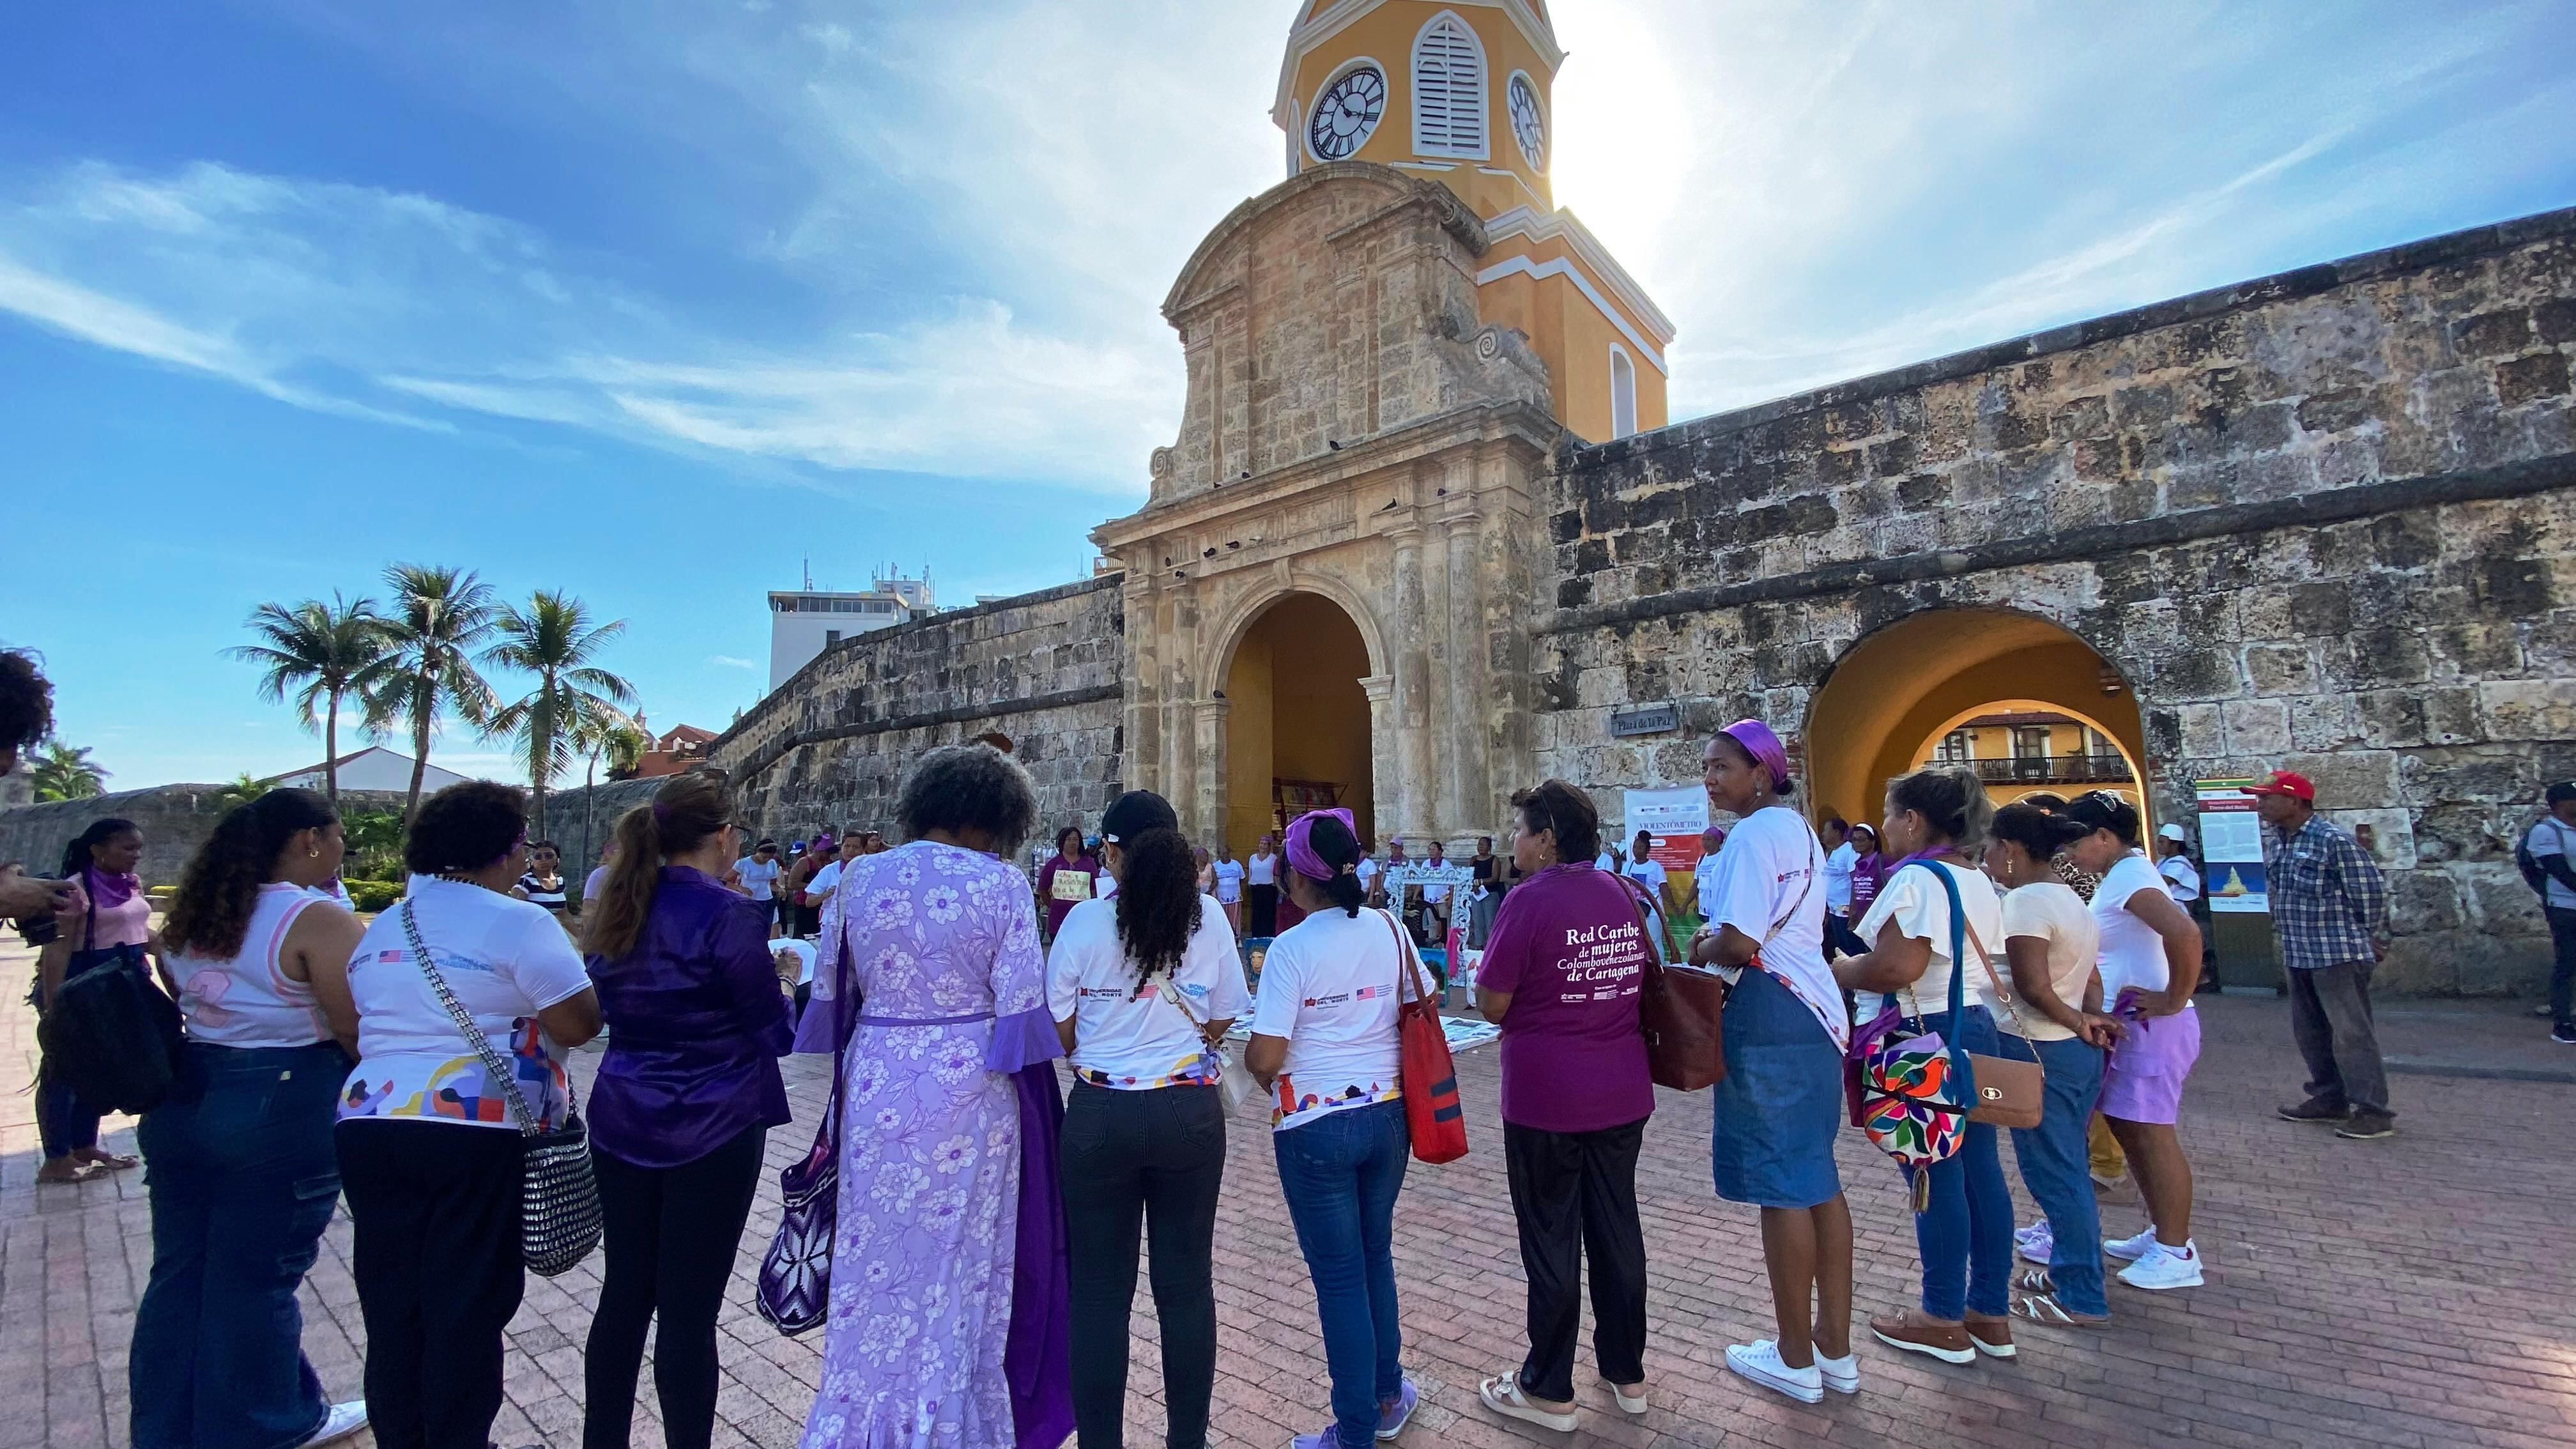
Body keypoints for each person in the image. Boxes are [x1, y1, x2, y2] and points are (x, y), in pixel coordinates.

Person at [794, 744, 1070, 1449]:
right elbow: (1022, 1014)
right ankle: (948, 1423)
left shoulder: (859, 877)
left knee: (872, 1251)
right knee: (962, 1261)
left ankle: (858, 1417)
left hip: (879, 1072)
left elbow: (828, 991)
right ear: (993, 817)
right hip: (970, 1087)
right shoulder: (1002, 883)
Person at [336, 781, 604, 1449]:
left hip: (369, 1123)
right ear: (509, 850)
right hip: (472, 1129)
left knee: (394, 1303)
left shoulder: (391, 921)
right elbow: (579, 1020)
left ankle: (403, 1436)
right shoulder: (517, 919)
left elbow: (353, 1022)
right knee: (465, 1306)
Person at [135, 790, 370, 1449]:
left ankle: (169, 1426)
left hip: (187, 1093)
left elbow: (186, 995)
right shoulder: (317, 919)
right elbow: (355, 1027)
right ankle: (269, 1422)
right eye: (338, 835)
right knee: (258, 1276)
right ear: (309, 840)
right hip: (282, 1099)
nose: (342, 847)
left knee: (182, 1271)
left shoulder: (197, 914)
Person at [579, 772, 793, 1449]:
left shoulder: (621, 905)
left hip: (622, 1114)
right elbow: (775, 1031)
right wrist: (787, 979)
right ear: (725, 839)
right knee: (688, 1313)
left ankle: (603, 1438)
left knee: (624, 1295)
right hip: (715, 1121)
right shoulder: (729, 915)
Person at [1046, 791, 1245, 1449]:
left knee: (1100, 1294)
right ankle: (1188, 1440)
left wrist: (1100, 1051)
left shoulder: (1081, 924)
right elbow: (1223, 1016)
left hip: (1101, 1113)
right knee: (1186, 1286)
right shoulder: (1210, 917)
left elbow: (1061, 1027)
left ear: (1113, 852)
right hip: (1187, 1110)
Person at [1472, 781, 1652, 1432]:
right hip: (1621, 1087)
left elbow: (1491, 1001)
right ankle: (1625, 1370)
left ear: (1547, 838)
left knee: (1551, 1238)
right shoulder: (1618, 892)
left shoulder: (1528, 901)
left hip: (1548, 1095)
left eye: (1522, 830)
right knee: (1615, 1230)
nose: (1515, 842)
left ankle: (1548, 1385)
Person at [1244, 809, 1422, 1449]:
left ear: (1294, 877)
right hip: (1388, 1113)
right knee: (1375, 1255)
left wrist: (1256, 1066)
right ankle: (1386, 1390)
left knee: (1340, 1276)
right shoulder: (1389, 929)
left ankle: (1354, 1430)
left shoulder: (1290, 950)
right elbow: (1418, 1001)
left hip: (1317, 1124)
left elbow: (1266, 1057)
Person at [1692, 723, 1853, 1402]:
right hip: (1815, 1012)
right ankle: (1832, 1347)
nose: (1709, 779)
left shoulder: (1753, 838)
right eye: (1705, 767)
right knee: (1817, 1179)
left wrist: (1701, 944)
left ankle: (1793, 1354)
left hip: (1770, 1012)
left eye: (1722, 766)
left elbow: (1740, 940)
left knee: (1782, 1185)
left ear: (1761, 772)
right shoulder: (1795, 831)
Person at [1835, 765, 2013, 1368]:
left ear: (1912, 820)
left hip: (1924, 1035)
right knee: (1982, 1173)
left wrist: (1842, 970)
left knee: (1933, 1175)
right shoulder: (1977, 877)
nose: (1884, 827)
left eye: (1889, 814)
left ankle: (1940, 1313)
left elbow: (1894, 968)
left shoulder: (1917, 880)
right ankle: (1987, 1308)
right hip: (1973, 1024)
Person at [2060, 789, 2211, 1288]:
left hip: (2154, 1026)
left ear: (2104, 837)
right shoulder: (2123, 876)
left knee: (2153, 1134)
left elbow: (2184, 933)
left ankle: (2176, 1249)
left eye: (2075, 841)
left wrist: (2172, 998)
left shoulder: (2129, 878)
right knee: (2132, 1132)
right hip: (2139, 1024)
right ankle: (2163, 1231)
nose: (2068, 853)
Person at [1981, 804, 2120, 1328]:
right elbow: (2089, 978)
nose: (1988, 858)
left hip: (2041, 1046)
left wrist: (2078, 1021)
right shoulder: (2068, 899)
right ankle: (2072, 1270)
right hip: (2069, 1050)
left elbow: (2034, 986)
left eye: (1993, 847)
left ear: (2012, 851)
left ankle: (2082, 1293)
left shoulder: (2025, 903)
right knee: (2067, 1169)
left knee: (2055, 1174)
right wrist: (2089, 1017)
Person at [2246, 771, 2396, 1141]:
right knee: (2311, 1033)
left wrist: (2370, 936)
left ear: (2295, 802)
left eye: (2267, 798)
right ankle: (2330, 1097)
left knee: (2352, 1034)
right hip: (2300, 952)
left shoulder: (2332, 841)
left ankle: (2373, 1110)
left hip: (2337, 953)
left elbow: (2370, 893)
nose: (2259, 805)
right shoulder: (2283, 842)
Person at [33, 816, 164, 1183]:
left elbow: (136, 931)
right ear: (97, 850)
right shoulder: (74, 891)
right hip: (83, 988)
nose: (136, 855)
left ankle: (83, 1145)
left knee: (100, 1068)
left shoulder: (130, 884)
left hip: (122, 988)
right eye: (127, 848)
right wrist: (55, 1004)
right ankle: (56, 1159)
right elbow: (57, 951)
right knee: (63, 1072)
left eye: (138, 848)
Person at [2527, 782, 2576, 1043]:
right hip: (2564, 907)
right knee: (2567, 962)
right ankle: (2562, 1024)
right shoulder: (2546, 832)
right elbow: (2559, 871)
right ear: (2561, 804)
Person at [1038, 825, 1101, 944]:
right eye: (1069, 839)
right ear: (1062, 842)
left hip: (1082, 919)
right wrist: (1052, 904)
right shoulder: (1053, 864)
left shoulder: (1089, 863)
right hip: (1058, 920)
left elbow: (1095, 888)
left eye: (1075, 839)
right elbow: (1043, 888)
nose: (1072, 843)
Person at [1818, 816, 1864, 958]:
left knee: (1853, 949)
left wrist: (1854, 908)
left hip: (1846, 911)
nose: (1823, 834)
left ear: (1837, 832)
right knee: (1841, 948)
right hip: (1834, 910)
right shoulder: (1833, 853)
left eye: (1826, 830)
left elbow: (1855, 880)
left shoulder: (1849, 851)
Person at [733, 838, 785, 935]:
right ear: (758, 852)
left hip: (767, 900)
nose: (766, 860)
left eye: (769, 858)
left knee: (766, 930)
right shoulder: (744, 863)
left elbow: (773, 883)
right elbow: (725, 880)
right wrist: (740, 888)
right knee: (748, 929)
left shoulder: (772, 863)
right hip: (749, 900)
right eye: (764, 857)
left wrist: (780, 889)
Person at [516, 839, 571, 918]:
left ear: (557, 860)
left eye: (549, 856)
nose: (543, 860)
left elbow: (565, 915)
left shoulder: (560, 881)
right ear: (532, 861)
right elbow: (516, 911)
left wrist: (577, 931)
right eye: (538, 857)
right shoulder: (525, 881)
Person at [1245, 831, 1282, 937]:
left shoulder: (1273, 858)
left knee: (1268, 913)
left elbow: (1275, 873)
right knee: (1257, 912)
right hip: (1256, 888)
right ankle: (1256, 934)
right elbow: (1250, 872)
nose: (1263, 846)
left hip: (1269, 888)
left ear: (1269, 846)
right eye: (1261, 843)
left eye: (1265, 844)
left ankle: (1268, 934)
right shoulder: (1253, 858)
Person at [1844, 824, 1883, 921]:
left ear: (1873, 841)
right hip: (1859, 920)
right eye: (1854, 840)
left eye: (1861, 839)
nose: (1857, 843)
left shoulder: (1884, 863)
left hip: (1877, 920)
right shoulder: (1858, 864)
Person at [1212, 841, 1246, 937]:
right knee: (1223, 919)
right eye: (1223, 853)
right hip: (1221, 899)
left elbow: (1243, 879)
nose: (1225, 855)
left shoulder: (1236, 864)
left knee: (1235, 919)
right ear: (1219, 855)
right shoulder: (1215, 866)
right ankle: (1224, 938)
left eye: (1227, 853)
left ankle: (1236, 938)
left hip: (1235, 898)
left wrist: (1240, 893)